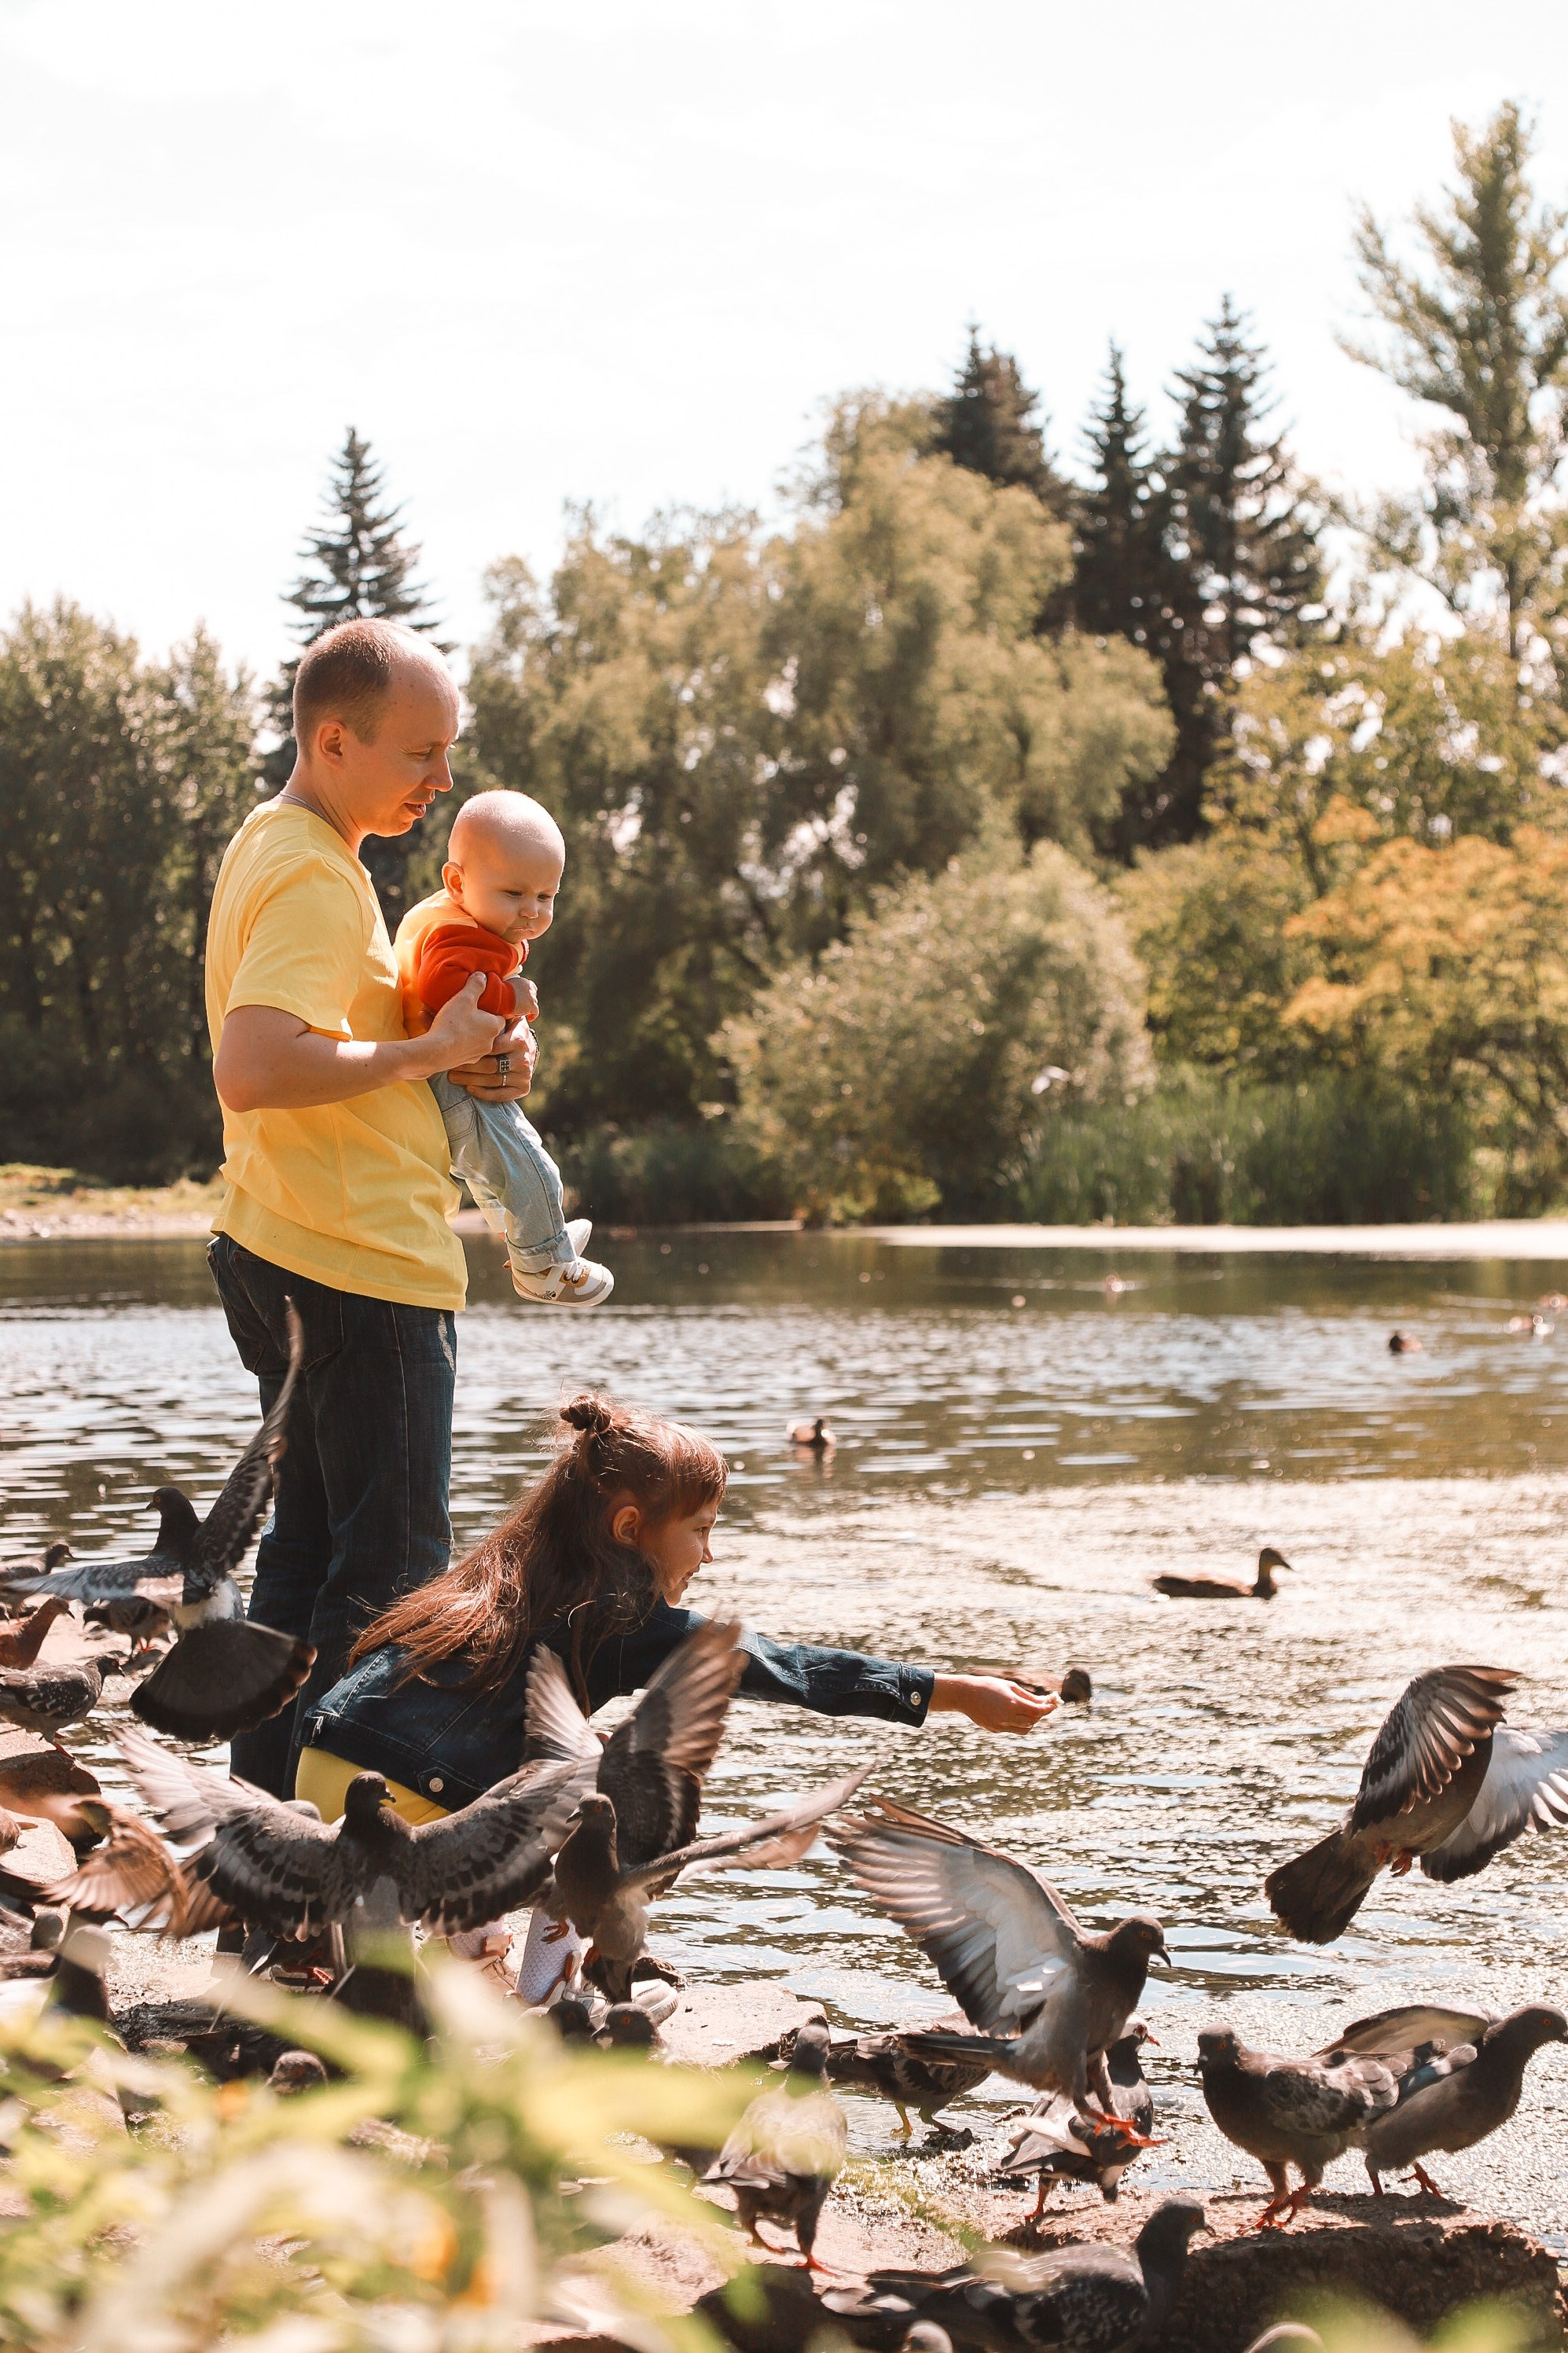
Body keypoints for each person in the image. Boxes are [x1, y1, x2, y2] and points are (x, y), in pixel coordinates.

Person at [204, 617, 537, 1797]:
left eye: (449, 752)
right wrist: (420, 1054)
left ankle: (261, 1852)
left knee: (301, 1566)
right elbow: (254, 1064)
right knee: (391, 1585)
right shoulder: (308, 869)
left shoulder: (279, 843)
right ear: (334, 740)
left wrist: (456, 1050)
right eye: (419, 754)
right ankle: (345, 1884)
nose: (443, 781)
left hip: (290, 1241)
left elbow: (339, 1039)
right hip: (358, 1269)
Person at [298, 1391, 1060, 1827]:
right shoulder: (622, 1615)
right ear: (630, 1530)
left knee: (573, 1750)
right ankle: (539, 1988)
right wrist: (957, 1693)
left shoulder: (498, 1569)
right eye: (699, 1531)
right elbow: (792, 1671)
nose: (709, 1555)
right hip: (406, 1805)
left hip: (319, 1764)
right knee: (616, 1789)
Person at [395, 789, 614, 1305]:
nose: (531, 912)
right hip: (453, 1080)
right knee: (527, 1163)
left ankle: (538, 1240)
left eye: (546, 897)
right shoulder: (457, 936)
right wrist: (510, 995)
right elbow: (442, 986)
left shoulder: (467, 921)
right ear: (457, 881)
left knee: (502, 1169)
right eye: (514, 893)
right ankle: (545, 1263)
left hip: (451, 1076)